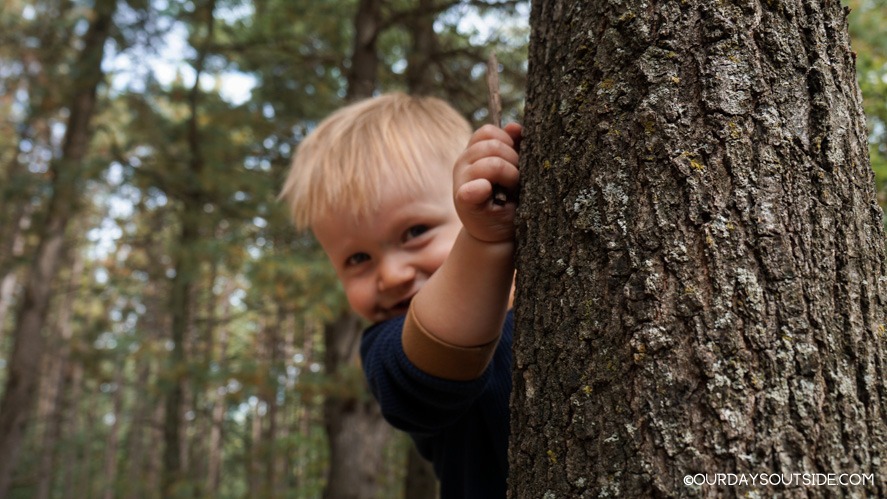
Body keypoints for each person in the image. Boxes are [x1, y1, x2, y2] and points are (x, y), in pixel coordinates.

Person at [280, 92, 521, 498]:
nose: (390, 276)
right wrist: (483, 245)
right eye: (358, 258)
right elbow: (429, 374)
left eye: (414, 232)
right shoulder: (387, 347)